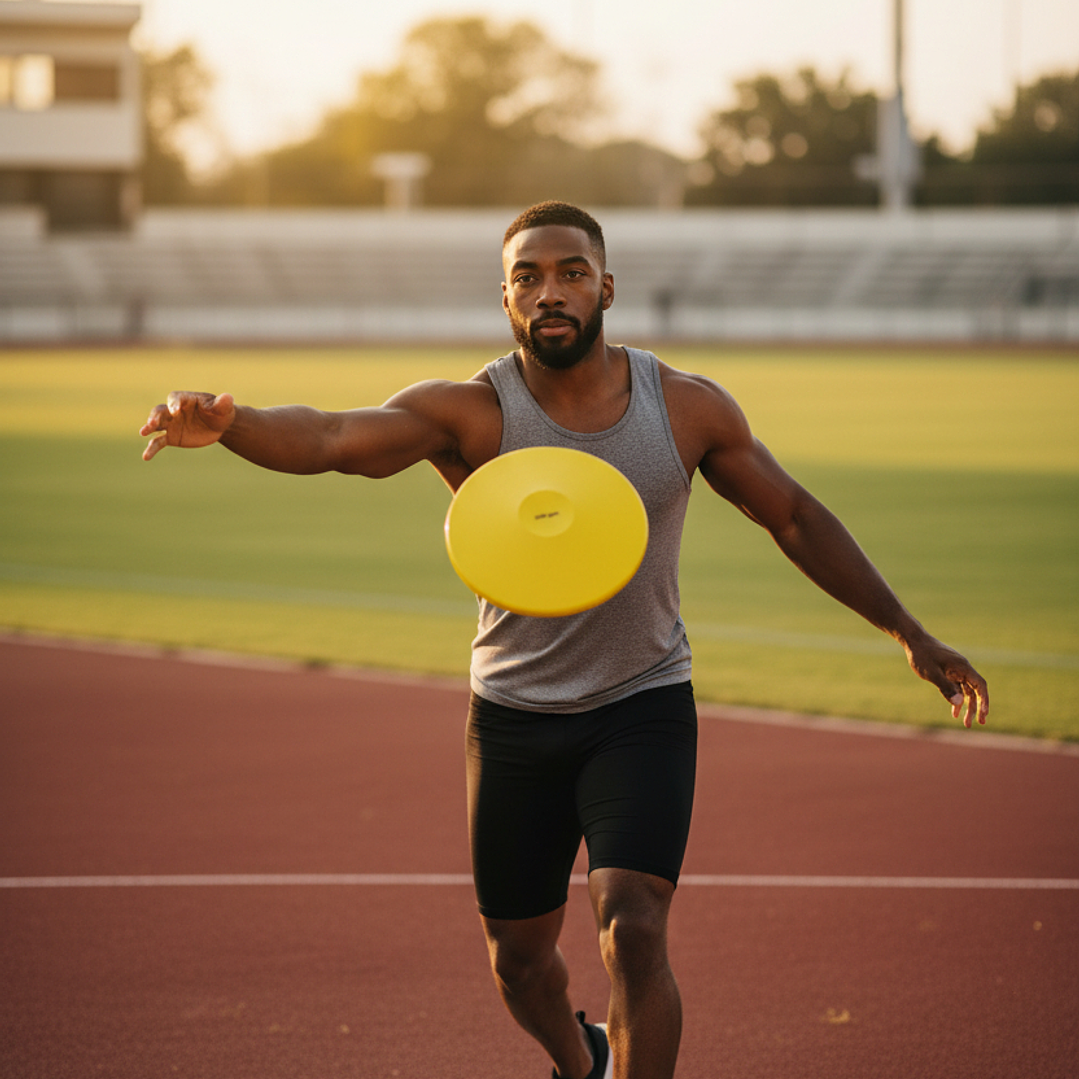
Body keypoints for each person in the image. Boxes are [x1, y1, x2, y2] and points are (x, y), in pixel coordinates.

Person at [140, 201, 989, 1079]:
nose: (550, 292)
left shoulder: (686, 408)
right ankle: (579, 1062)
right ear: (504, 299)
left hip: (643, 702)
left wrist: (908, 634)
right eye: (528, 276)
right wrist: (230, 424)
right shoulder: (468, 413)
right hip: (513, 714)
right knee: (517, 957)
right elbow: (332, 438)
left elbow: (795, 516)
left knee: (633, 922)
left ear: (606, 287)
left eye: (570, 273)